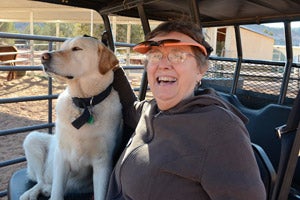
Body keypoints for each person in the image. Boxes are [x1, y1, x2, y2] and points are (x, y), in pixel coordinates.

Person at [107, 20, 266, 200]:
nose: (163, 64)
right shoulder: (150, 110)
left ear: (200, 70)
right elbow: (128, 106)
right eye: (155, 55)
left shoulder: (219, 129)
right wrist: (110, 65)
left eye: (178, 55)